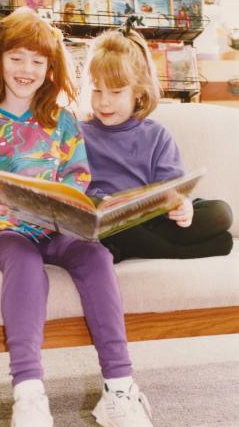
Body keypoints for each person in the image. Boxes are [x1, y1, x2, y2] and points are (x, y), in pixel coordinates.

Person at [0, 9, 164, 427]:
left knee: (96, 254)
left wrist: (71, 207)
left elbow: (77, 179)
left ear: (51, 67)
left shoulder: (61, 123)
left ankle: (119, 392)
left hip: (52, 228)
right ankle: (28, 396)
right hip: (0, 234)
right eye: (17, 58)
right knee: (23, 259)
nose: (27, 70)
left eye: (38, 61)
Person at [79, 26, 233, 264]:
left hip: (151, 219)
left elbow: (173, 189)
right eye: (96, 90)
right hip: (109, 221)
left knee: (221, 213)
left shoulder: (156, 134)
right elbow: (76, 190)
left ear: (138, 94)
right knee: (98, 216)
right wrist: (108, 202)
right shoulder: (80, 134)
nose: (104, 101)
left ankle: (131, 248)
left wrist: (183, 205)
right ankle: (177, 251)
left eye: (116, 91)